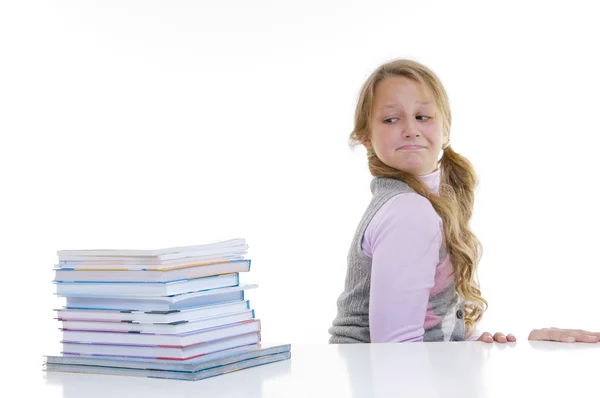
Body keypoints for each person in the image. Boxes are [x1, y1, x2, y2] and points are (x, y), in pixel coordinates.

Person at [328, 58, 599, 344]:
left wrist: (477, 343)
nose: (410, 129)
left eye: (422, 117)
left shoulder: (420, 204)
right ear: (365, 136)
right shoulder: (408, 211)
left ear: (445, 131)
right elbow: (395, 355)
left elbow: (422, 337)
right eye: (391, 119)